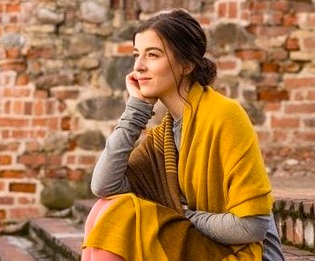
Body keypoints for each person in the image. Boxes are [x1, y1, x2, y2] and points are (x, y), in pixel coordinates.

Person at [81, 8, 285, 261]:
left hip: (250, 253)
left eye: (152, 55)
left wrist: (183, 217)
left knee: (119, 216)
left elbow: (252, 226)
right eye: (136, 55)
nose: (138, 67)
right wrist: (136, 109)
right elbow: (104, 186)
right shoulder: (164, 136)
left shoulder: (225, 115)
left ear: (187, 64)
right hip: (207, 243)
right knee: (106, 208)